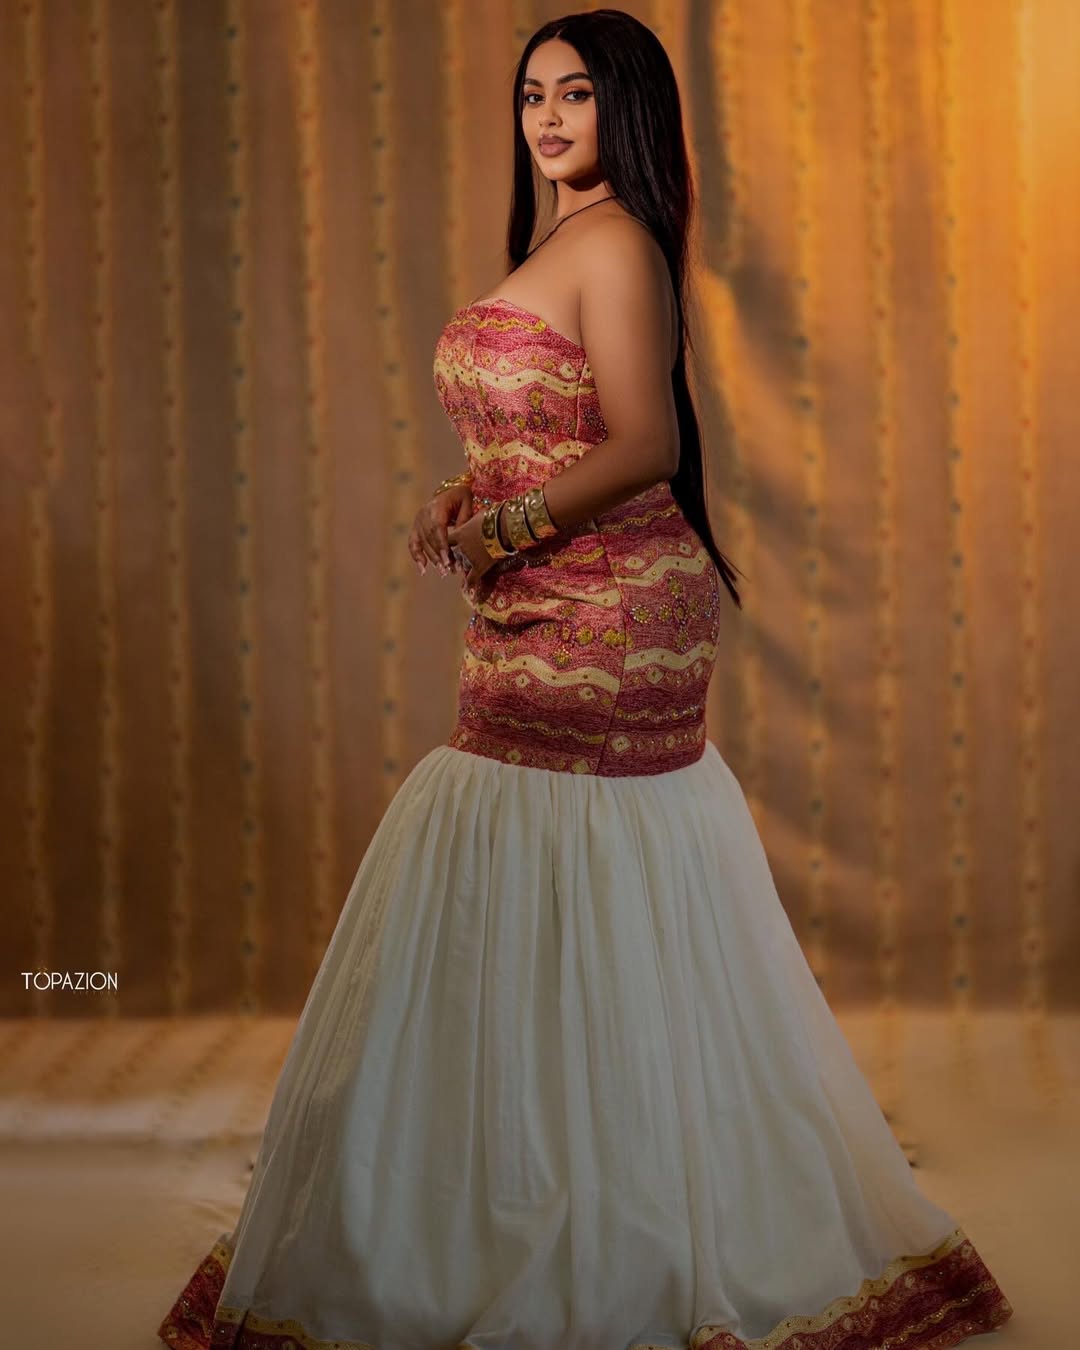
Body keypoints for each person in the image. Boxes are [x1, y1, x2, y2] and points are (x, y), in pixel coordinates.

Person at [158, 9, 1014, 1349]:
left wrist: (506, 528)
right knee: (537, 851)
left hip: (610, 613)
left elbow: (647, 441)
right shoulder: (568, 235)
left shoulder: (613, 240)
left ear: (631, 111)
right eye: (530, 95)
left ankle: (592, 1207)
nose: (548, 118)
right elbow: (550, 419)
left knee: (532, 838)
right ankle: (547, 1180)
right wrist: (473, 492)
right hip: (556, 586)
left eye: (576, 96)